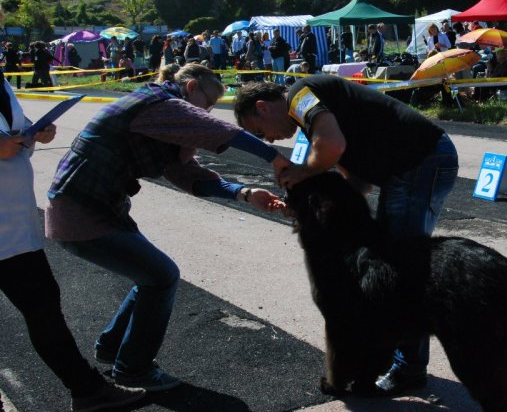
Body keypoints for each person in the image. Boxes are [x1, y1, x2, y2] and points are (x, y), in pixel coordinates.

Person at [45, 63, 289, 392]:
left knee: (151, 277)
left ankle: (112, 348)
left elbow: (190, 176)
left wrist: (245, 193)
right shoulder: (156, 103)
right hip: (81, 209)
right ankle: (133, 370)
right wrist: (275, 158)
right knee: (161, 276)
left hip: (94, 208)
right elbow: (213, 128)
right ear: (191, 88)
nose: (207, 111)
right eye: (208, 102)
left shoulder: (162, 117)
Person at [233, 76, 459, 396]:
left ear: (263, 107)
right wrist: (304, 207)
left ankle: (409, 368)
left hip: (421, 161)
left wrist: (302, 172)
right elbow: (357, 184)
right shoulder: (313, 112)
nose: (268, 139)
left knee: (398, 269)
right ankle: (397, 359)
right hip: (418, 162)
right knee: (390, 265)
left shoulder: (300, 96)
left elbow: (331, 147)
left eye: (259, 131)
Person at [0, 70, 146, 411]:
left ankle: (87, 389)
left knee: (42, 303)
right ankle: (87, 389)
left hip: (12, 221)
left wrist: (35, 132)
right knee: (42, 304)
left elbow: (13, 127)